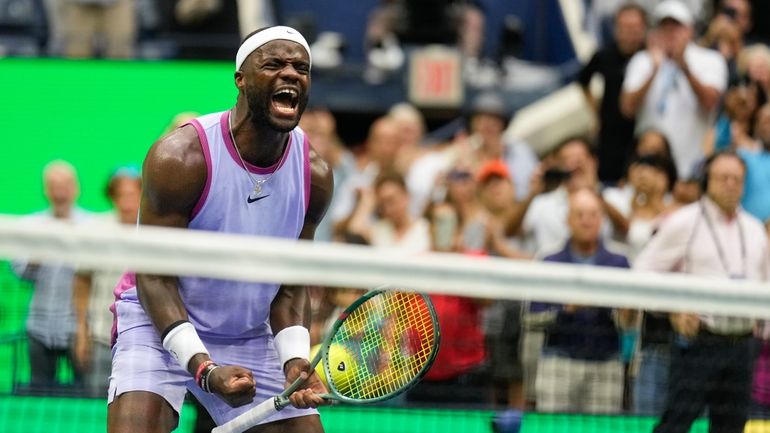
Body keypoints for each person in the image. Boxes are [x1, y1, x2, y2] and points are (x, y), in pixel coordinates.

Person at [107, 26, 333, 433]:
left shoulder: (314, 175)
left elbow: (291, 283)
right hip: (158, 321)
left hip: (247, 331)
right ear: (241, 79)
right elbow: (154, 277)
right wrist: (204, 368)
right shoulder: (181, 158)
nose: (291, 74)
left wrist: (294, 358)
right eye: (274, 64)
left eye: (301, 67)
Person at [636, 151, 769, 433]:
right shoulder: (684, 221)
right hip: (700, 343)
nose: (730, 184)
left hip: (744, 346)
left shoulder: (756, 229)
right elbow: (642, 271)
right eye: (723, 178)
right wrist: (674, 308)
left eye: (737, 179)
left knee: (732, 428)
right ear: (707, 180)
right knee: (675, 424)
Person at [531, 188, 631, 414]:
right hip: (558, 363)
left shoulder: (620, 262)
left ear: (602, 219)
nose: (587, 221)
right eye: (580, 214)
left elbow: (630, 323)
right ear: (568, 220)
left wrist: (612, 307)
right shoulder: (549, 261)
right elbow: (532, 317)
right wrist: (566, 308)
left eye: (593, 214)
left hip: (606, 366)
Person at [621, 0, 727, 180]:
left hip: (694, 166)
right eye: (664, 27)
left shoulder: (710, 59)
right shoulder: (641, 60)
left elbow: (711, 103)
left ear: (690, 30)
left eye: (676, 27)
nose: (671, 33)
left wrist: (684, 67)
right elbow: (627, 109)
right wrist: (653, 71)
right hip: (650, 167)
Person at [12, 160, 89, 394]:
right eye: (53, 186)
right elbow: (20, 272)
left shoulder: (92, 227)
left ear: (75, 188)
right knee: (40, 396)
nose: (59, 192)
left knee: (85, 396)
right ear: (46, 190)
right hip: (39, 327)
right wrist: (43, 246)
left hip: (79, 329)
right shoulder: (30, 226)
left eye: (65, 185)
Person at [73, 166, 142, 398]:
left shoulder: (155, 230)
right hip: (102, 338)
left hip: (144, 341)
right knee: (96, 407)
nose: (127, 202)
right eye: (121, 195)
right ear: (111, 197)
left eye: (132, 195)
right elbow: (82, 282)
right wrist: (82, 332)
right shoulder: (96, 230)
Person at [578, 3, 648, 184]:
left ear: (644, 29)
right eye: (625, 28)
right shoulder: (604, 55)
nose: (630, 33)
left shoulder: (650, 56)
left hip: (642, 129)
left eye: (634, 28)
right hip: (611, 131)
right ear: (616, 29)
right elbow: (582, 81)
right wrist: (596, 111)